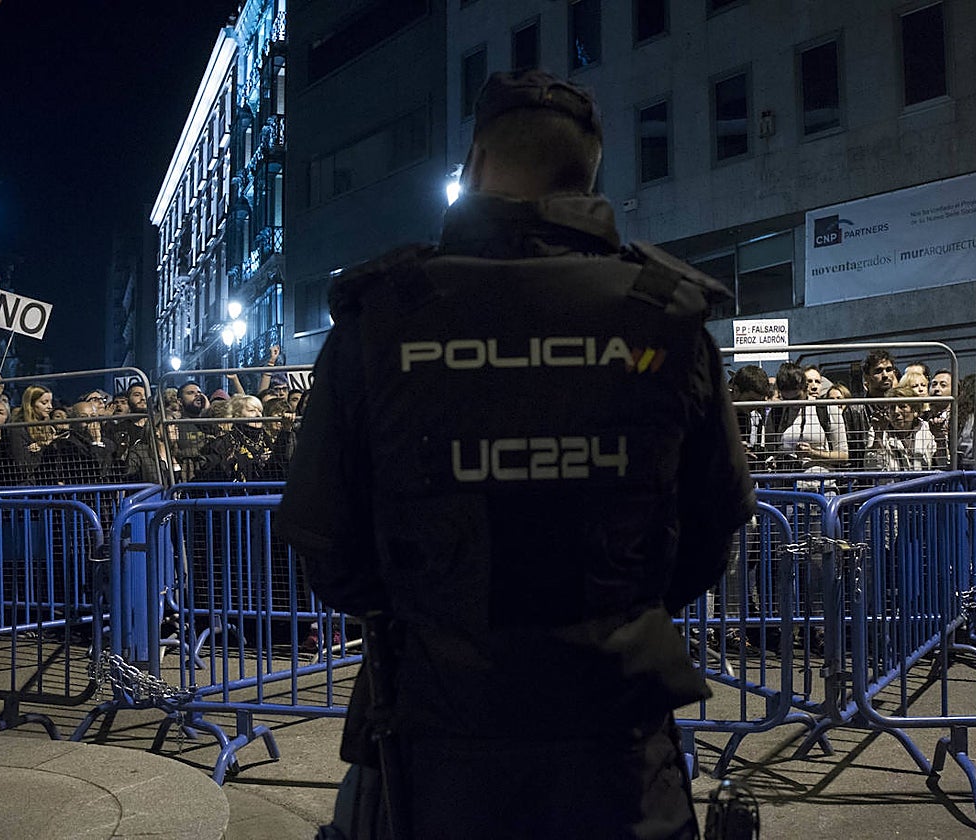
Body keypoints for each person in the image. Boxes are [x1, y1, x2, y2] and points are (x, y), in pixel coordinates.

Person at [277, 68, 754, 840]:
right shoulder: (663, 315)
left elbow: (325, 539)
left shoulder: (387, 315)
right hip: (617, 746)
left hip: (432, 739)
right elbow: (709, 533)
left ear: (474, 164)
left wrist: (431, 615)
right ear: (591, 170)